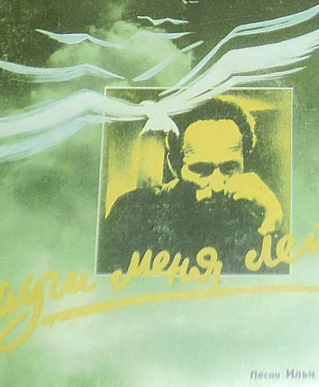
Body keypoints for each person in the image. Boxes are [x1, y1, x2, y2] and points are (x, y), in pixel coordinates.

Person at [98, 98, 284, 274]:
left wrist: (273, 220)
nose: (217, 186)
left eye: (229, 168)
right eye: (202, 169)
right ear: (174, 165)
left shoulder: (254, 214)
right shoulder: (134, 211)